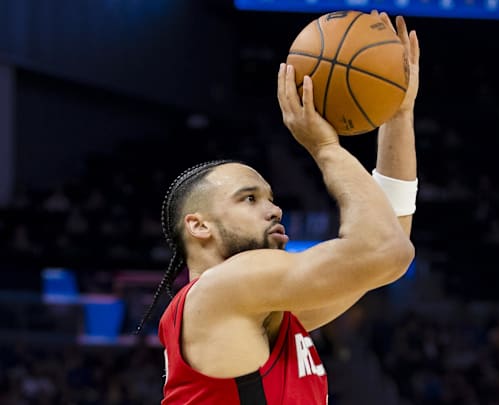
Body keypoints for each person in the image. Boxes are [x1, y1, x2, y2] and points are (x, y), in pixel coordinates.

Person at [136, 11, 421, 405]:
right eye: (250, 198)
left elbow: (389, 250)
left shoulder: (258, 314)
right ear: (200, 226)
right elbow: (385, 250)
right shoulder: (224, 286)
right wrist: (325, 148)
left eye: (271, 198)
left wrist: (397, 115)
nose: (274, 210)